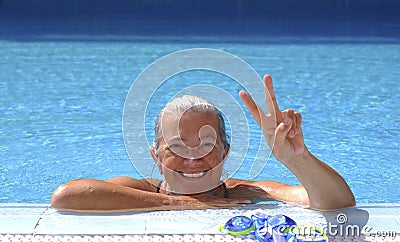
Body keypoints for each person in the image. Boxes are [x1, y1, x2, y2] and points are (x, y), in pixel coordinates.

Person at [51, 75, 355, 212]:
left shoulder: (250, 192)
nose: (194, 159)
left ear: (225, 152)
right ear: (155, 156)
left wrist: (296, 160)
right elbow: (66, 197)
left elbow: (337, 202)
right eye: (177, 147)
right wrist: (175, 203)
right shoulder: (140, 190)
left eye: (208, 145)